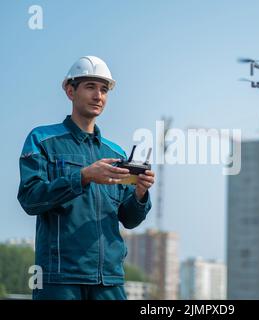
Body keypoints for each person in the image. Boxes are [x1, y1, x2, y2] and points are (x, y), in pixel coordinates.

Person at [17, 56, 155, 300]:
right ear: (70, 91)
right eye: (90, 87)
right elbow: (31, 199)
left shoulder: (116, 153)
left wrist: (140, 194)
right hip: (60, 278)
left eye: (103, 90)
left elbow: (129, 219)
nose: (98, 96)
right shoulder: (42, 139)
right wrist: (83, 176)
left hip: (109, 279)